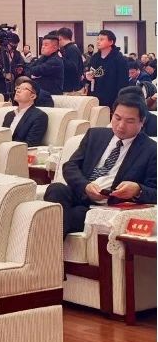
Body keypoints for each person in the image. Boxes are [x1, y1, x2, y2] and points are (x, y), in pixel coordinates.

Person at [45, 92, 156, 236]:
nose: (121, 126)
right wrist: (85, 186)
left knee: (75, 214)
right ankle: (50, 243)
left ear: (142, 122)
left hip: (107, 207)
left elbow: (154, 191)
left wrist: (137, 190)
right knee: (56, 189)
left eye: (129, 121)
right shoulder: (95, 135)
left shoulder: (151, 150)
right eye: (117, 118)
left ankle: (45, 245)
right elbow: (70, 166)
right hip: (81, 193)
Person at [85, 30, 129, 107]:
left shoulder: (119, 59)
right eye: (98, 39)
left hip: (112, 99)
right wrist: (88, 78)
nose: (98, 42)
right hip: (95, 97)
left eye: (102, 39)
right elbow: (90, 76)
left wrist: (119, 102)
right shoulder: (95, 57)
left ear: (111, 42)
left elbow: (123, 83)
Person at [2, 78, 48, 146]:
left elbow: (30, 144)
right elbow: (2, 137)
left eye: (24, 89)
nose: (18, 91)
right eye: (18, 88)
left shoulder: (39, 116)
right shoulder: (9, 115)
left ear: (33, 96)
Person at [56, 28, 84, 94]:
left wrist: (60, 58)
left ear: (60, 38)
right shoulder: (69, 48)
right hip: (70, 86)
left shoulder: (71, 49)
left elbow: (73, 67)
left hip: (71, 88)